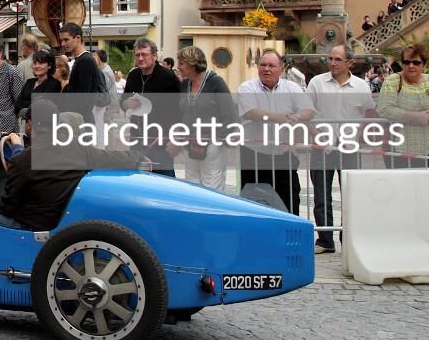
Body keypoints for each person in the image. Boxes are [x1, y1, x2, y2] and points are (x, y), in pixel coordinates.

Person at [0, 101, 143, 230]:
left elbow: (6, 209)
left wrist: (17, 148)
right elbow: (113, 157)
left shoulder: (22, 160)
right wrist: (139, 156)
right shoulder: (78, 147)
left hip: (28, 226)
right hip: (59, 221)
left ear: (30, 123)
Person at [307, 44, 375, 253]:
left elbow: (368, 113)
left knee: (350, 195)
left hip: (349, 147)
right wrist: (317, 135)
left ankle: (348, 239)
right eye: (330, 58)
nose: (333, 63)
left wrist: (358, 136)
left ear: (350, 63)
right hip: (322, 146)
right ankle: (325, 240)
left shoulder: (361, 86)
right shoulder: (317, 83)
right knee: (321, 195)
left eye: (338, 59)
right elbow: (305, 112)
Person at [238, 50, 315, 213]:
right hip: (254, 156)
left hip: (283, 155)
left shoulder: (291, 87)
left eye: (271, 66)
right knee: (253, 203)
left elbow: (309, 110)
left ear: (281, 68)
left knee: (290, 200)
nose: (266, 69)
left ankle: (290, 228)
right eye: (263, 65)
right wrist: (278, 117)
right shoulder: (247, 87)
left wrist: (297, 116)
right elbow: (250, 112)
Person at [175, 45, 234, 191]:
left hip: (213, 144)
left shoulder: (216, 83)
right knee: (192, 185)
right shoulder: (185, 84)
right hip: (190, 143)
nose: (178, 67)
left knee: (212, 186)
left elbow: (229, 114)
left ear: (193, 64)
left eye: (181, 63)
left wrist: (219, 138)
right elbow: (182, 112)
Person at [120, 38, 181, 177]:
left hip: (159, 140)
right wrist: (126, 103)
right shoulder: (133, 75)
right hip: (137, 137)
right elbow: (123, 100)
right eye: (137, 55)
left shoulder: (168, 77)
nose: (140, 58)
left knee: (165, 180)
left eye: (144, 54)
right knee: (138, 179)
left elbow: (178, 109)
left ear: (154, 56)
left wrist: (175, 138)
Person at [377, 43, 429, 169]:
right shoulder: (393, 81)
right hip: (399, 149)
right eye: (406, 62)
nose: (411, 66)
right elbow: (384, 109)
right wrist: (418, 117)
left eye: (416, 62)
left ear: (424, 64)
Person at [59, 22, 102, 135]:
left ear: (78, 38)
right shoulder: (81, 60)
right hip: (79, 120)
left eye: (66, 40)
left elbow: (83, 98)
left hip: (81, 122)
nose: (63, 44)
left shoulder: (85, 61)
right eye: (61, 40)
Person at [14, 48, 62, 119]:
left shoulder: (54, 84)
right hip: (26, 123)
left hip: (44, 123)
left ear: (49, 65)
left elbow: (43, 108)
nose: (37, 66)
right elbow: (17, 105)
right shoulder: (29, 82)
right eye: (35, 63)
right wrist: (32, 105)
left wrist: (25, 107)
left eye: (41, 63)